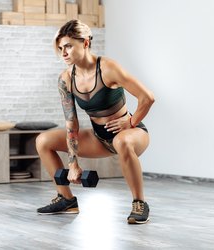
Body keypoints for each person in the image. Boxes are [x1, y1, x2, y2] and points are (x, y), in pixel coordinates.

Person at [36, 20, 155, 224]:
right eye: (61, 48)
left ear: (85, 43)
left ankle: (139, 203)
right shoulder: (66, 78)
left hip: (133, 134)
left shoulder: (107, 68)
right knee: (43, 140)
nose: (63, 52)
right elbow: (71, 124)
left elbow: (147, 97)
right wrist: (73, 164)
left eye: (69, 46)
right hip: (99, 138)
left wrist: (131, 122)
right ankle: (66, 199)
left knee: (122, 142)